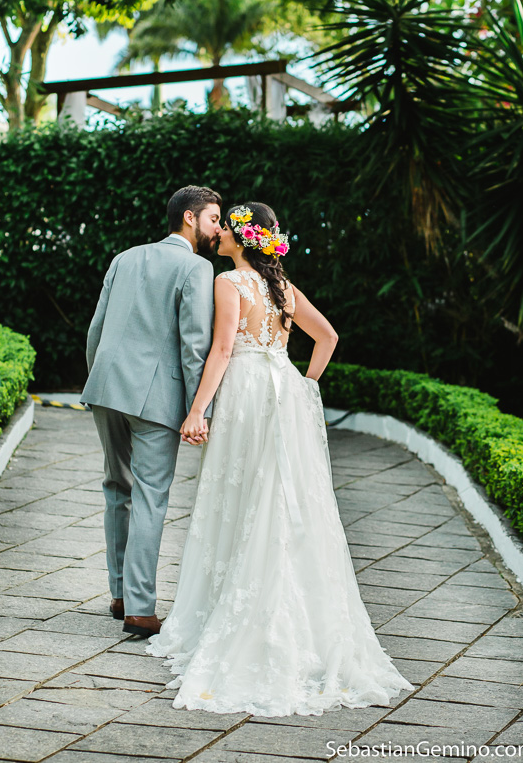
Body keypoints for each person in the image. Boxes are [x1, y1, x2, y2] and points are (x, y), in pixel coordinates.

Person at [145, 201, 415, 717]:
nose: (219, 232)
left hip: (245, 393)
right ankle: (303, 625)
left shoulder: (230, 283)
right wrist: (305, 386)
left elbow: (222, 350)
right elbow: (328, 337)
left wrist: (196, 411)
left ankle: (243, 619)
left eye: (227, 227)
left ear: (243, 239)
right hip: (284, 391)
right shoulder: (284, 288)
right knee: (285, 500)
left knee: (241, 495)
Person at [80, 185, 222, 638]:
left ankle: (120, 593)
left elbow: (96, 328)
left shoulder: (125, 257)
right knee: (149, 497)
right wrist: (200, 409)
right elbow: (195, 343)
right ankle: (140, 609)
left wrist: (97, 380)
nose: (218, 229)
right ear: (189, 218)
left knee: (116, 487)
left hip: (106, 388)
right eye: (214, 219)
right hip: (157, 399)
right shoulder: (196, 267)